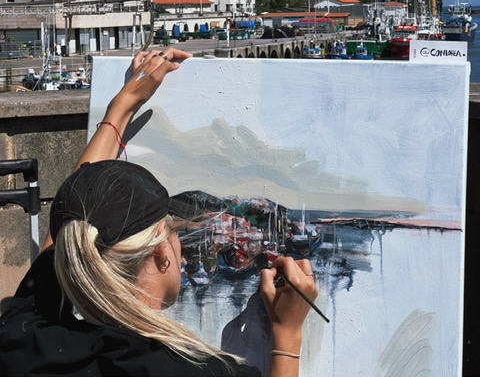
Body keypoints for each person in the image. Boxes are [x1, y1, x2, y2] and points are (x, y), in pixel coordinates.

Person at [0, 49, 319, 377]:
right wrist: (287, 332)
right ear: (160, 252)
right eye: (172, 231)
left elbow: (78, 213)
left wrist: (122, 105)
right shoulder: (198, 371)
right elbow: (74, 218)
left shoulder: (24, 342)